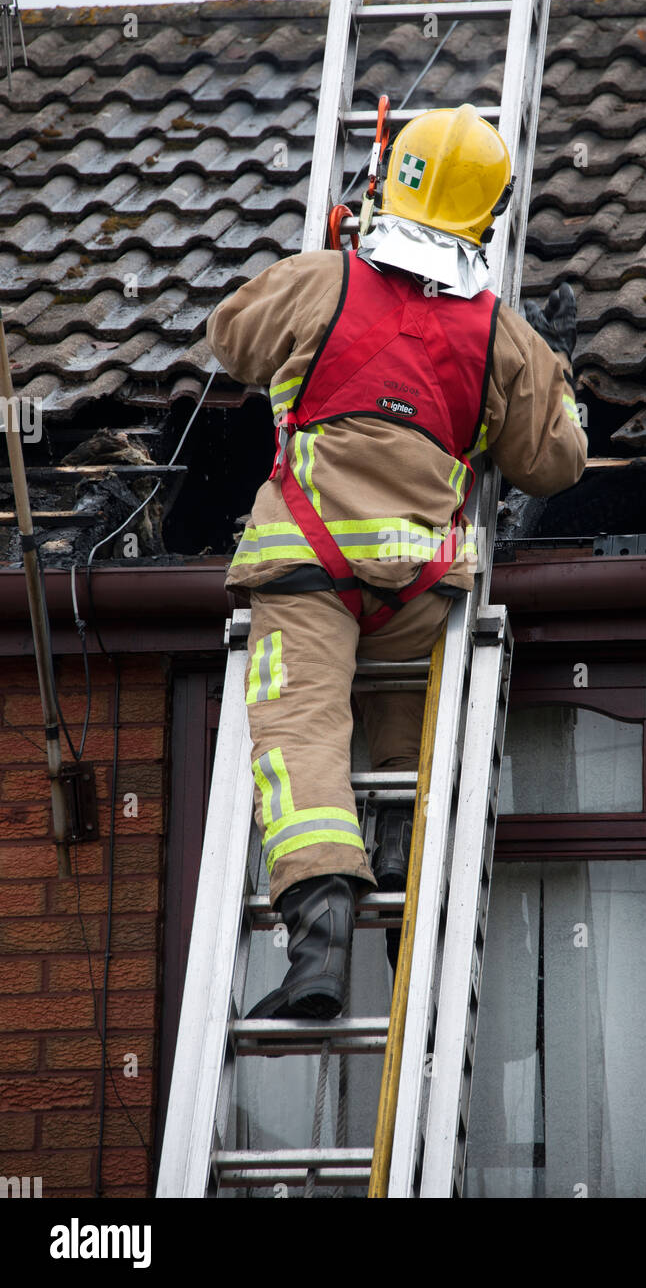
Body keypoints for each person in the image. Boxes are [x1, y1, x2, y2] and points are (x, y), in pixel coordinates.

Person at [205, 103, 588, 1021]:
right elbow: (557, 461)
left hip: (304, 570)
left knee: (297, 736)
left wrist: (329, 258)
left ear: (386, 182)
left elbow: (230, 337)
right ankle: (395, 851)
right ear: (487, 218)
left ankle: (319, 943)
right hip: (419, 587)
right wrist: (552, 375)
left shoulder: (319, 280)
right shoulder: (502, 335)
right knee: (402, 722)